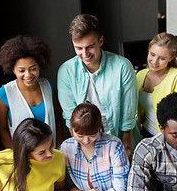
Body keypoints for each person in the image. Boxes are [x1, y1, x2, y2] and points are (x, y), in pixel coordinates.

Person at [57, 14, 138, 157]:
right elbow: (70, 117)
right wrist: (82, 149)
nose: (85, 54)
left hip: (118, 139)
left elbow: (128, 116)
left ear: (100, 41)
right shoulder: (66, 71)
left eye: (90, 47)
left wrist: (125, 148)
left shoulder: (122, 67)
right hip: (86, 141)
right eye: (78, 48)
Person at [0, 118, 73, 191]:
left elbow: (59, 190)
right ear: (26, 152)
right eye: (41, 152)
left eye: (51, 145)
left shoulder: (58, 157)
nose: (50, 154)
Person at [0, 35, 63, 149]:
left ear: (39, 66)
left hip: (51, 155)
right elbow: (2, 129)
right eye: (21, 70)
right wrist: (15, 155)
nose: (28, 75)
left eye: (33, 68)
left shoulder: (48, 86)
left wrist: (59, 148)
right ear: (13, 69)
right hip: (23, 159)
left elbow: (57, 120)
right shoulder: (4, 94)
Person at [60, 102, 129, 191]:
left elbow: (121, 188)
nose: (86, 140)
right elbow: (69, 185)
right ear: (72, 127)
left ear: (99, 127)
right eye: (80, 136)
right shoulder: (66, 147)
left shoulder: (114, 145)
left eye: (92, 135)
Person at [132, 32, 177, 152]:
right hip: (145, 134)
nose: (154, 61)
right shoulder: (141, 75)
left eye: (162, 58)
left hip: (168, 140)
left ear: (171, 58)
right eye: (152, 54)